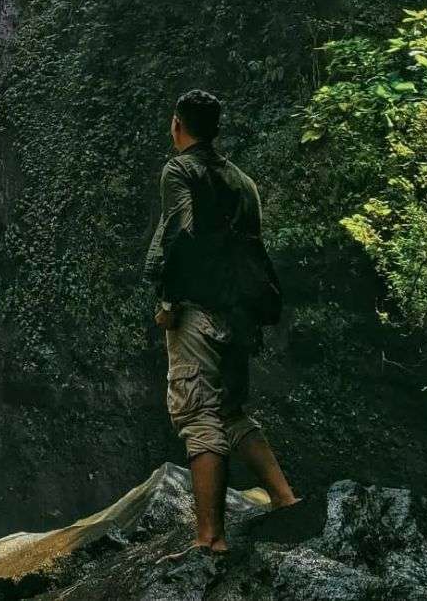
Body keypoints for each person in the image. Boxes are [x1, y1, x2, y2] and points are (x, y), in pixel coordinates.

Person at [145, 89, 299, 555]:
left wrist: (170, 300)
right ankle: (286, 499)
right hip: (239, 313)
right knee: (231, 409)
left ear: (178, 125)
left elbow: (179, 233)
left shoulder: (179, 170)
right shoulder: (243, 181)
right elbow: (252, 250)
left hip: (197, 307)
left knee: (197, 412)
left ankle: (210, 537)